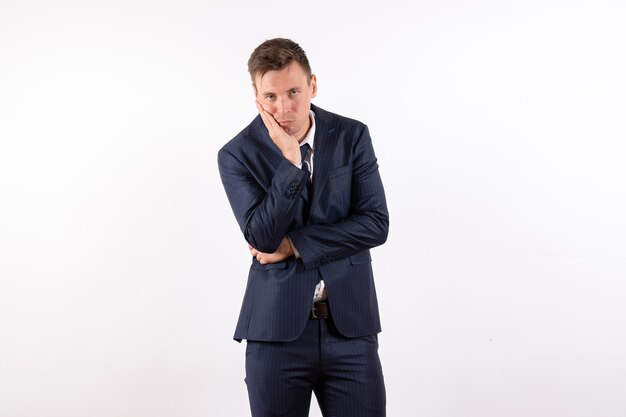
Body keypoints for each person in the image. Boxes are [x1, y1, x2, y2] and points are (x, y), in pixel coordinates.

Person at [218, 38, 389, 417]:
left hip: (350, 330)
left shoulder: (351, 135)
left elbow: (375, 224)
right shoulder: (236, 154)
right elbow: (261, 237)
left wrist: (294, 245)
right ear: (256, 96)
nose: (284, 108)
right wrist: (292, 164)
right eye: (271, 97)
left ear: (312, 84)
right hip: (275, 334)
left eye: (293, 92)